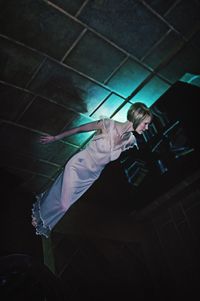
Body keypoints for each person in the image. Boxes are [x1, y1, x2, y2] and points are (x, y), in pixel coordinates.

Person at [31, 102, 152, 238]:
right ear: (137, 118)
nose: (147, 128)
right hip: (78, 165)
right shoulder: (107, 124)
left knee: (65, 201)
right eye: (145, 123)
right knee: (64, 205)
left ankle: (41, 216)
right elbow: (80, 129)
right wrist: (55, 137)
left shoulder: (130, 140)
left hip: (91, 176)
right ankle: (43, 217)